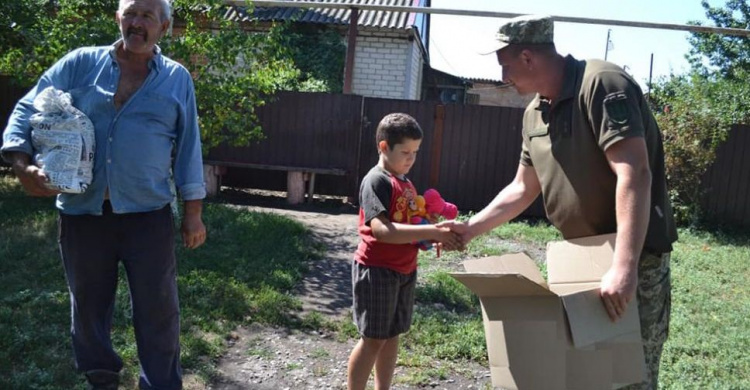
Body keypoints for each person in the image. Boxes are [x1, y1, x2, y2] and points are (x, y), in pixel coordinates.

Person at [440, 15, 678, 390]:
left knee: (630, 378)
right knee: (586, 375)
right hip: (582, 259)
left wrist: (624, 267)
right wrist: (470, 228)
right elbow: (523, 187)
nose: (503, 76)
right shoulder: (535, 112)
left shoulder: (601, 84)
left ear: (528, 57)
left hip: (633, 260)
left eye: (505, 65)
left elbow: (634, 173)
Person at [1, 0, 206, 388]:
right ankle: (101, 381)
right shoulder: (80, 63)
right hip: (83, 214)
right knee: (89, 310)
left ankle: (161, 383)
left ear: (164, 26)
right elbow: (27, 107)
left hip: (148, 215)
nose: (137, 23)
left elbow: (189, 147)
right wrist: (21, 164)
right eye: (130, 14)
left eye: (147, 16)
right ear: (117, 20)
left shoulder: (177, 78)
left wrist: (192, 212)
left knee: (158, 310)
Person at [347, 113, 461, 390]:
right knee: (373, 338)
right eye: (405, 152)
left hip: (404, 269)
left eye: (416, 152)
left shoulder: (406, 182)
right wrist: (431, 233)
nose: (411, 158)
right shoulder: (377, 181)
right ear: (384, 147)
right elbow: (382, 230)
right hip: (377, 270)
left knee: (392, 334)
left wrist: (431, 235)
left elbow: (410, 226)